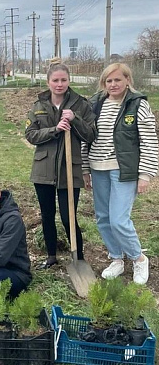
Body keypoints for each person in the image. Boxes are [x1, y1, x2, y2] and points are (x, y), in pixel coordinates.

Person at [82, 63, 158, 284]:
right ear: (103, 83)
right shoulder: (95, 104)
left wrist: (145, 175)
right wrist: (86, 170)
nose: (113, 84)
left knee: (119, 220)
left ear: (127, 80)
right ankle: (116, 258)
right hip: (98, 168)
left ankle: (138, 258)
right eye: (109, 81)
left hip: (123, 170)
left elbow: (149, 142)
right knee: (103, 218)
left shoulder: (138, 105)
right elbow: (86, 138)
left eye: (117, 80)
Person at [25, 60, 96, 270]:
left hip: (69, 169)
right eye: (55, 80)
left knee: (68, 216)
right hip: (43, 169)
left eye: (63, 80)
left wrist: (75, 119)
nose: (59, 84)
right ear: (48, 82)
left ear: (69, 81)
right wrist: (54, 129)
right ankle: (51, 256)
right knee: (47, 215)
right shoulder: (38, 106)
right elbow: (30, 135)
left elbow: (91, 134)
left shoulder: (81, 104)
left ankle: (79, 257)